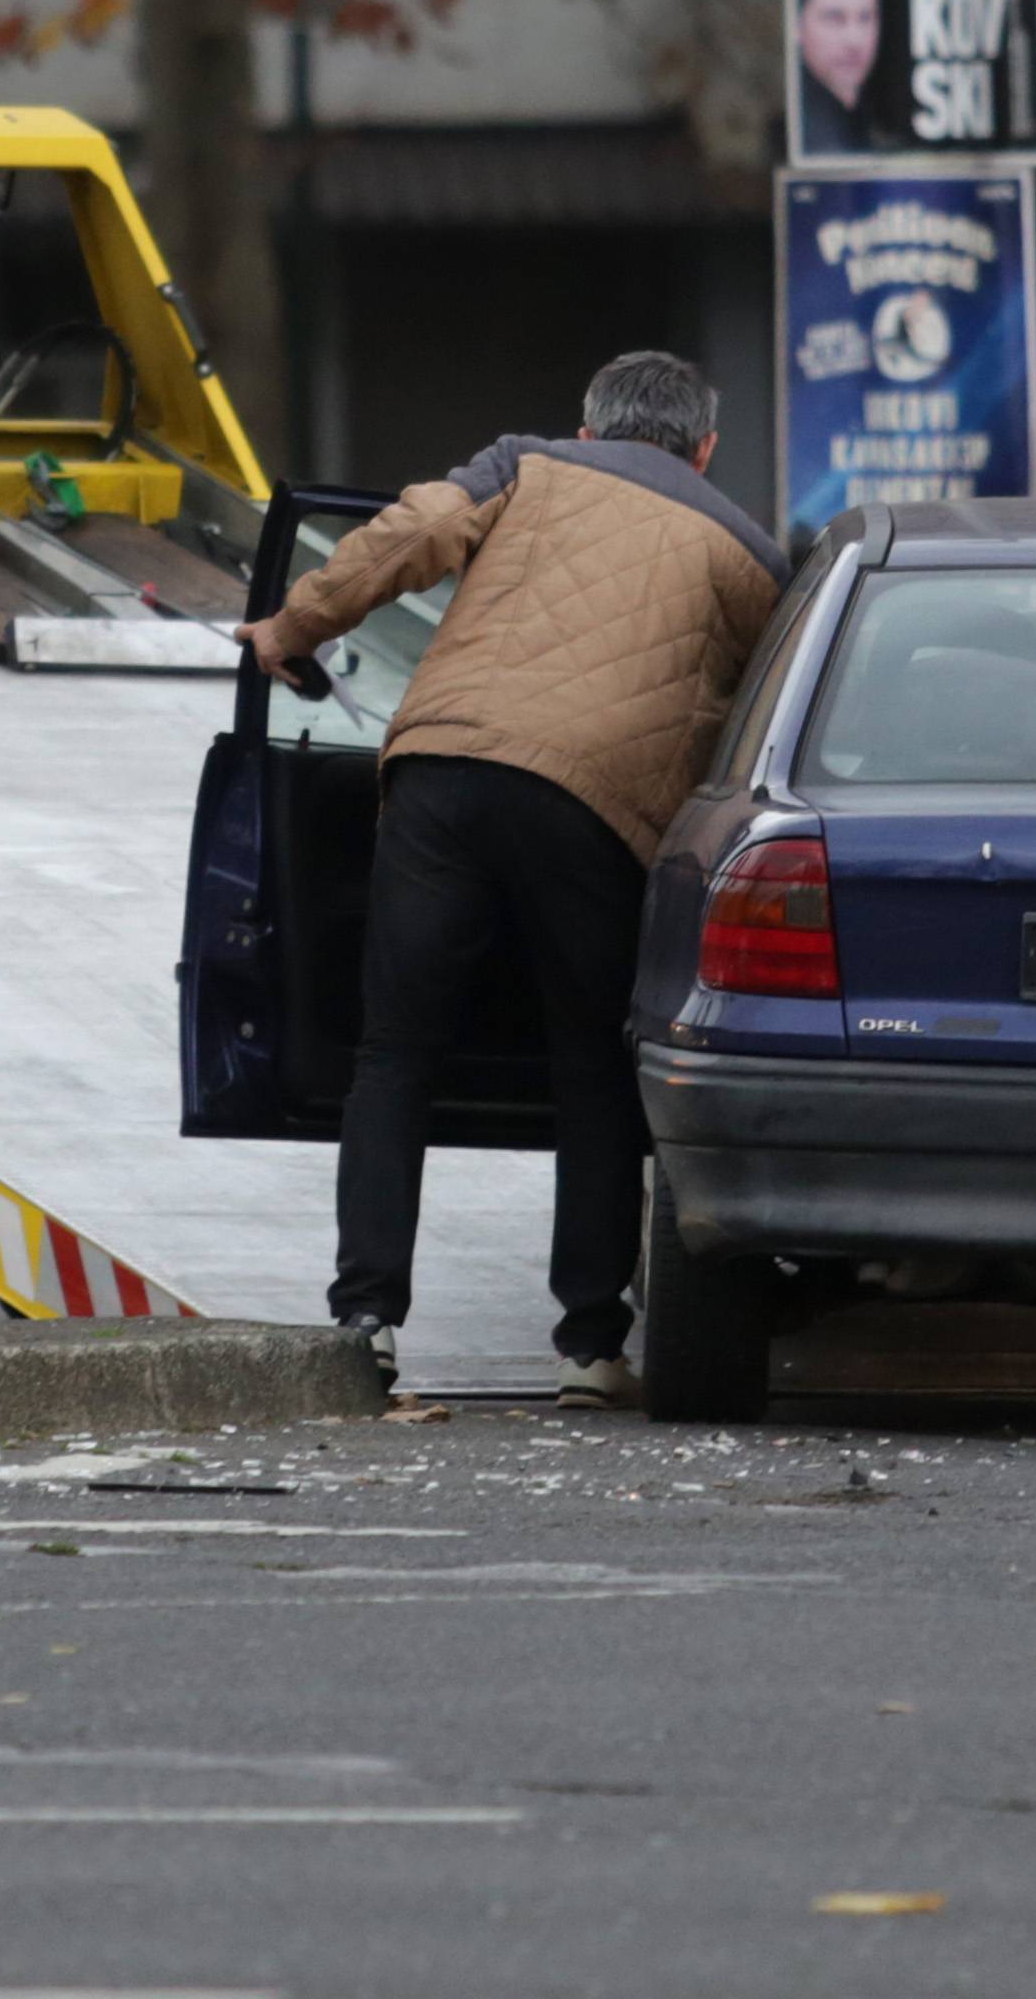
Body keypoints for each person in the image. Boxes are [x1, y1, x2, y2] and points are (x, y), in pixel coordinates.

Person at [237, 352, 788, 1409]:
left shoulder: (523, 466)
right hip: (598, 808)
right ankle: (588, 1343)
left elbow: (410, 536)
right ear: (706, 447)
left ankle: (366, 1321)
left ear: (588, 425)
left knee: (395, 1050)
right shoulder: (746, 550)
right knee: (591, 1064)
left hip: (446, 772)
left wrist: (291, 627)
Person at [795, 0, 885, 155]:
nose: (854, 40)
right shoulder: (798, 125)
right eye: (835, 18)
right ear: (797, 26)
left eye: (865, 18)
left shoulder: (870, 120)